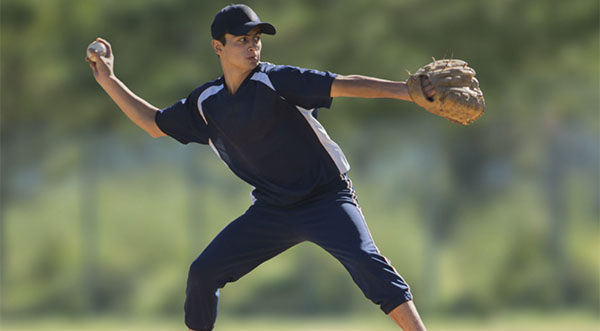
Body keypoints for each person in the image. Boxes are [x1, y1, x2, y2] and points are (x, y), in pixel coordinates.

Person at [86, 4, 434, 331]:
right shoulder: (207, 102)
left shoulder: (277, 80)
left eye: (256, 39)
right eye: (241, 40)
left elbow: (343, 84)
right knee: (203, 273)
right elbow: (153, 123)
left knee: (366, 262)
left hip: (326, 197)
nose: (252, 47)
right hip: (272, 208)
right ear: (217, 47)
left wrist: (406, 91)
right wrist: (108, 80)